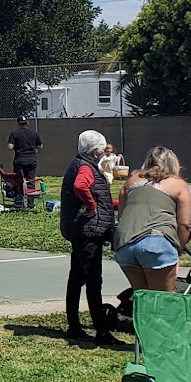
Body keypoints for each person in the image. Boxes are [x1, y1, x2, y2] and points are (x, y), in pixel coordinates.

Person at [60, 130, 118, 346]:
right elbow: (80, 187)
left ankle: (75, 325)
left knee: (77, 279)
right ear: (95, 152)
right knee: (92, 281)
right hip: (88, 232)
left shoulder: (79, 163)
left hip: (82, 230)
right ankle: (100, 330)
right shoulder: (85, 167)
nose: (104, 154)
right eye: (102, 151)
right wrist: (92, 207)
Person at [114, 146, 191, 293]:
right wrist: (178, 248)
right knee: (162, 299)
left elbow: (121, 216)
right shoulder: (178, 184)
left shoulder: (130, 181)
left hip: (125, 242)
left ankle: (140, 316)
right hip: (157, 242)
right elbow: (184, 224)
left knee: (141, 296)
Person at [6, 117, 42, 209]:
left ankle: (18, 203)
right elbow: (40, 146)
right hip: (31, 160)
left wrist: (18, 147)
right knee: (31, 181)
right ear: (28, 123)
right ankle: (31, 204)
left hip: (19, 160)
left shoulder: (14, 133)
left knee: (18, 181)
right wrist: (34, 149)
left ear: (18, 123)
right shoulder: (34, 133)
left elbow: (10, 147)